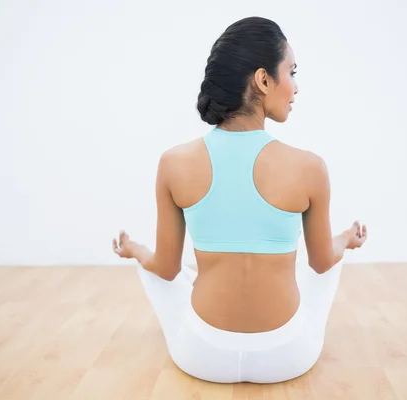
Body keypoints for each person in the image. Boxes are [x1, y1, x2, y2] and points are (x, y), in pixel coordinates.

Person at [112, 16, 367, 384]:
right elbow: (322, 263)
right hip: (287, 356)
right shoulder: (310, 167)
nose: (295, 88)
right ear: (263, 80)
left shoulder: (174, 163)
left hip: (203, 355)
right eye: (291, 72)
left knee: (173, 273)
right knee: (320, 268)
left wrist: (135, 250)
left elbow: (166, 269)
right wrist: (346, 240)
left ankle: (144, 255)